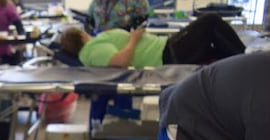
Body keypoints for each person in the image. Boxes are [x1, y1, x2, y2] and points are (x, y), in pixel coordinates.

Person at [59, 13, 245, 68]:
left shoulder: (93, 46)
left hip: (166, 49)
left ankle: (240, 65)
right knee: (210, 21)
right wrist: (133, 39)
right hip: (167, 53)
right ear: (81, 35)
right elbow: (121, 61)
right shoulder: (92, 49)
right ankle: (244, 61)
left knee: (216, 51)